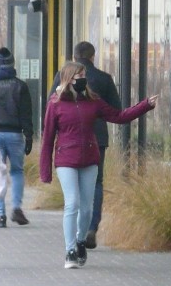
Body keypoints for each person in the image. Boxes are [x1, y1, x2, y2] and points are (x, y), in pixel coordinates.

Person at [41, 61, 157, 269]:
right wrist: (45, 171)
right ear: (68, 79)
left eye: (84, 75)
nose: (83, 79)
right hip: (66, 159)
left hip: (89, 159)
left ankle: (80, 241)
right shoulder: (55, 104)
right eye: (79, 76)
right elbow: (48, 137)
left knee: (86, 209)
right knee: (72, 203)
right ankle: (69, 252)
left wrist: (145, 105)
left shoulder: (93, 102)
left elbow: (119, 116)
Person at [49, 41, 120, 250]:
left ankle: (78, 233)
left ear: (74, 55)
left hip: (69, 142)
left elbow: (52, 105)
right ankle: (90, 228)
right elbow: (116, 108)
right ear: (93, 57)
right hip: (96, 139)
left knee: (73, 194)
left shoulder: (62, 76)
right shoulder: (104, 78)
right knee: (96, 183)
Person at [0, 47, 34, 228]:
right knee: (16, 171)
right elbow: (26, 114)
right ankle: (17, 207)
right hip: (15, 134)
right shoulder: (20, 86)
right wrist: (29, 136)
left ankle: (0, 215)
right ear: (13, 64)